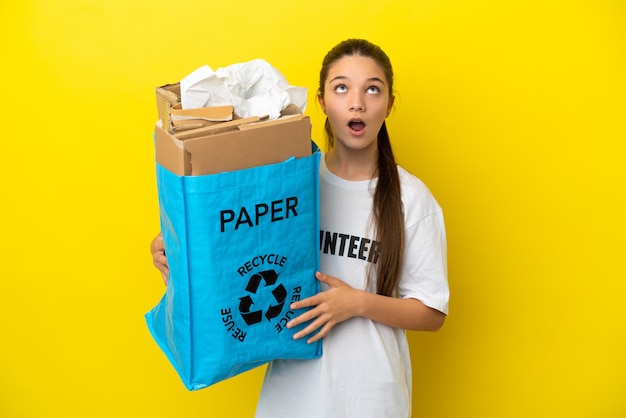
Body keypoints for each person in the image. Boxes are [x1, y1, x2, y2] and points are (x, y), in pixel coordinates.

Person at [151, 38, 449, 418]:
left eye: (372, 89)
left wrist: (357, 303)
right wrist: (177, 248)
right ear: (323, 102)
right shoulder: (291, 181)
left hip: (372, 397)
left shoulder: (412, 198)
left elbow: (431, 312)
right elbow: (236, 250)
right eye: (341, 88)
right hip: (293, 395)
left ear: (389, 104)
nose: (357, 102)